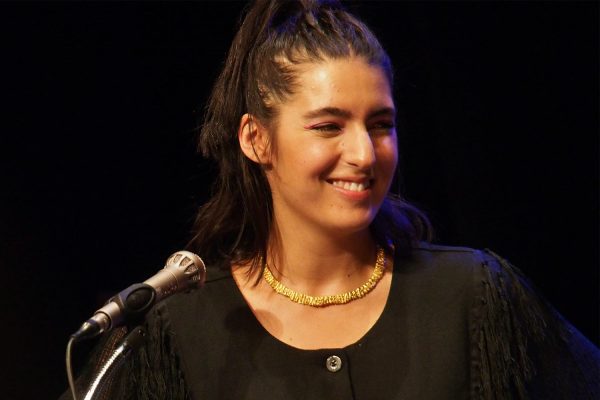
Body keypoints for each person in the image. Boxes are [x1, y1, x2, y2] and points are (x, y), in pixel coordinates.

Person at [63, 1, 599, 399]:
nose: (364, 153)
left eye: (381, 125)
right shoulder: (180, 330)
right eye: (328, 126)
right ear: (256, 139)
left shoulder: (474, 295)